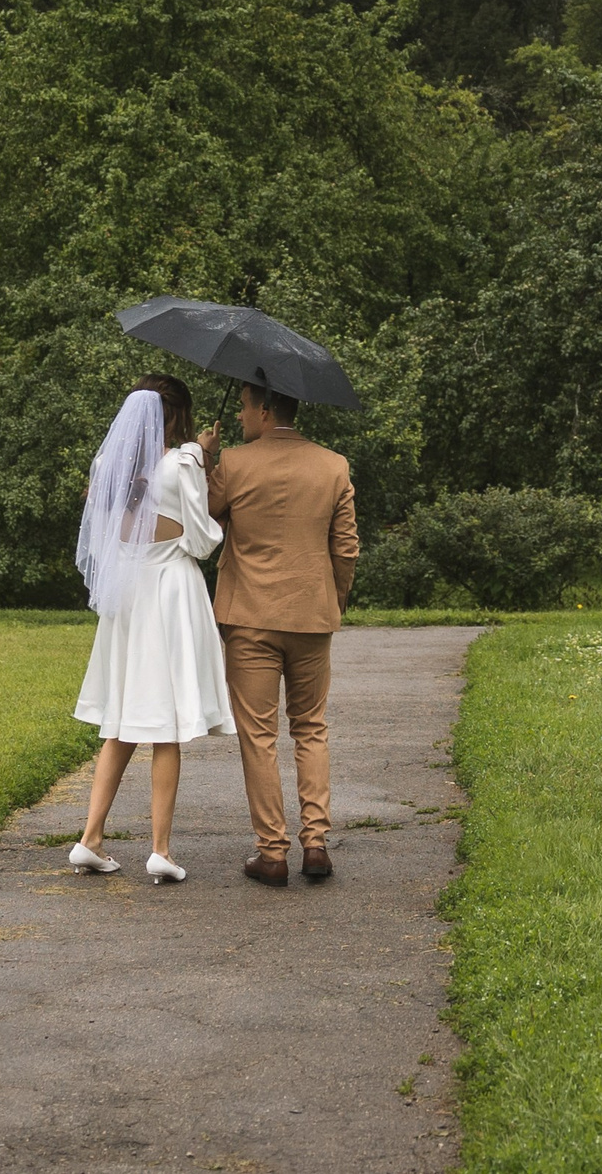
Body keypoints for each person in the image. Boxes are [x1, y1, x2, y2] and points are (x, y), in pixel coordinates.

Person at [68, 375, 236, 883]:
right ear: (178, 415)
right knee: (165, 728)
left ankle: (90, 838)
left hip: (129, 596)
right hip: (169, 595)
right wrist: (203, 462)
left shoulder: (107, 464)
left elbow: (109, 534)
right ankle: (160, 849)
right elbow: (205, 541)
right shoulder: (182, 462)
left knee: (121, 721)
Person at [197, 379, 358, 887]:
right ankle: (316, 843)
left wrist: (206, 460)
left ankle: (271, 852)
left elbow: (204, 517)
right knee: (311, 726)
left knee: (259, 735)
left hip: (249, 617)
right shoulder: (334, 466)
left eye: (245, 408)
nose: (241, 417)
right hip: (312, 615)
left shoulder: (237, 463)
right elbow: (346, 547)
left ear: (265, 410)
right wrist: (335, 598)